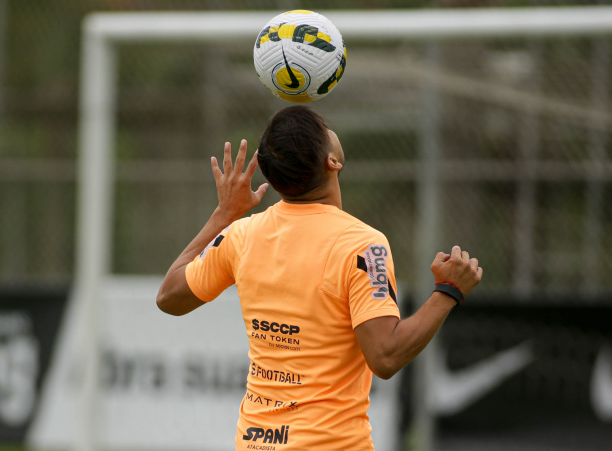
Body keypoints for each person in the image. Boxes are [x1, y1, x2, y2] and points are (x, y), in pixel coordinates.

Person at [156, 105, 482, 450]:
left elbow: (169, 297)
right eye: (325, 130)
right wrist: (448, 290)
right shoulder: (361, 245)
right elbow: (385, 356)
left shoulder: (243, 235)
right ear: (333, 162)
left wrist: (224, 214)